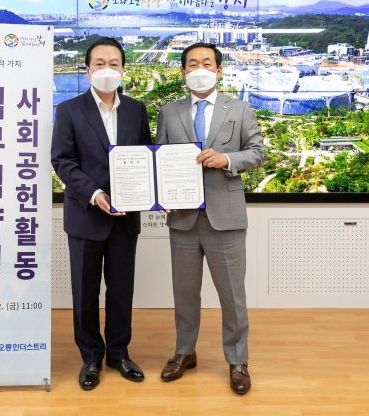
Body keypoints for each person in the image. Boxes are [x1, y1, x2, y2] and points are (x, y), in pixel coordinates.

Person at [156, 42, 265, 394]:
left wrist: (228, 160)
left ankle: (238, 360)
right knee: (185, 293)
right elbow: (159, 159)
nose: (199, 68)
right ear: (183, 72)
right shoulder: (169, 112)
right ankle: (184, 352)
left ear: (219, 70)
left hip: (226, 217)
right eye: (192, 63)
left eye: (206, 63)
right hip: (183, 219)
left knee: (232, 295)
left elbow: (257, 153)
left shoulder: (240, 108)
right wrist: (161, 195)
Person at [51, 37, 151, 390]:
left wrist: (155, 191)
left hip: (125, 219)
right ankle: (91, 357)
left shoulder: (137, 110)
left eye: (114, 63)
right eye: (99, 63)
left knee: (122, 290)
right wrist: (94, 194)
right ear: (87, 69)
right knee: (85, 291)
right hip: (85, 216)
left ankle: (119, 354)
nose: (107, 69)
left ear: (123, 69)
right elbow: (62, 161)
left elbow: (145, 157)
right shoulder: (69, 110)